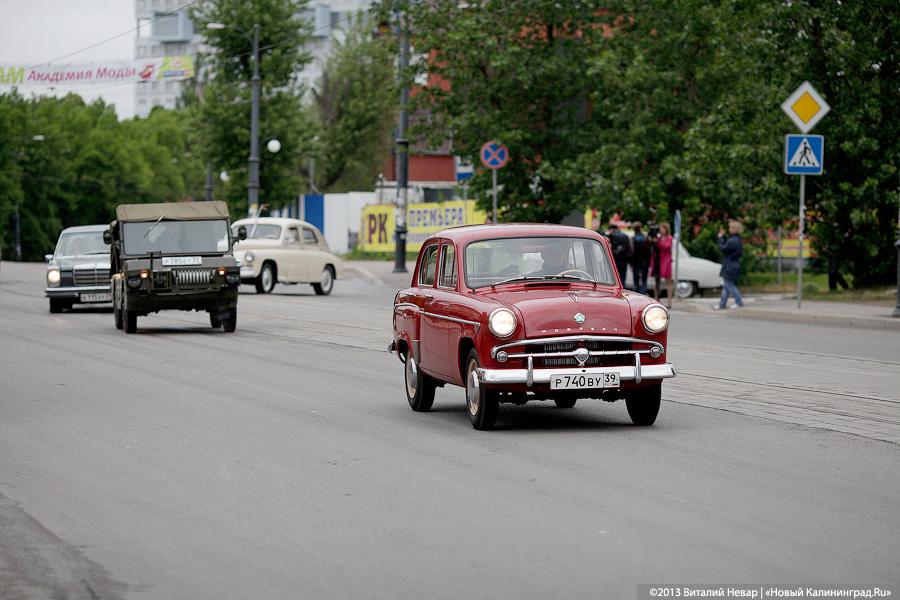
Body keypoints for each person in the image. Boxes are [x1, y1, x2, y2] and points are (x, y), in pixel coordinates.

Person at [714, 220, 745, 310]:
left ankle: (739, 302)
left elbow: (723, 248)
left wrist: (720, 238)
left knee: (729, 285)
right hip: (734, 265)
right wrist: (723, 236)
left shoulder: (732, 241)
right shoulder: (737, 240)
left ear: (734, 229)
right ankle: (722, 304)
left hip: (730, 266)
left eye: (730, 227)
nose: (729, 229)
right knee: (727, 286)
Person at [651, 223, 674, 307]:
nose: (661, 230)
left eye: (662, 228)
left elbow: (666, 247)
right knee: (657, 281)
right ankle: (656, 299)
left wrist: (658, 242)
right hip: (658, 261)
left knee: (668, 282)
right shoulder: (659, 238)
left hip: (666, 262)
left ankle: (669, 302)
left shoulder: (669, 238)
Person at [631, 221, 651, 294]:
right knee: (644, 279)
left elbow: (632, 252)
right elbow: (649, 251)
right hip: (644, 261)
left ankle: (637, 293)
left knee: (636, 279)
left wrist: (631, 263)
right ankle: (643, 292)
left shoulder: (633, 239)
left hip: (636, 262)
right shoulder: (645, 238)